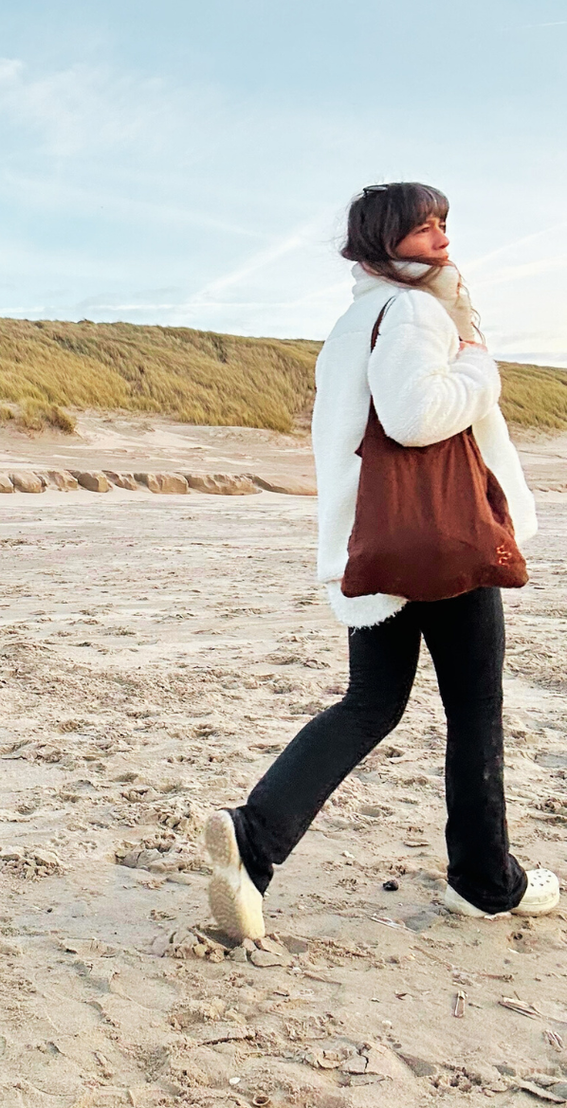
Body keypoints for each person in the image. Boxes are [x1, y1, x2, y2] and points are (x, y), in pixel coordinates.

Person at [204, 181, 560, 940]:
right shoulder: (418, 312)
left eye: (443, 223)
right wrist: (478, 364)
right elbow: (416, 414)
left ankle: (254, 837)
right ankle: (485, 884)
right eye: (422, 226)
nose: (441, 237)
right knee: (473, 714)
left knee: (370, 703)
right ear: (382, 240)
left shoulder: (350, 321)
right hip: (438, 540)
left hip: (372, 542)